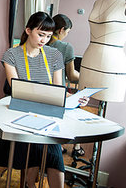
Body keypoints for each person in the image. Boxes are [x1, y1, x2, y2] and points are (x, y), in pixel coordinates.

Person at [1, 11, 88, 188]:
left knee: (50, 146)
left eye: (48, 36)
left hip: (48, 114)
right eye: (40, 34)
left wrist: (74, 99)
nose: (44, 40)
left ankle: (29, 184)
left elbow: (59, 90)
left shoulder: (55, 55)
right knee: (45, 143)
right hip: (22, 112)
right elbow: (17, 88)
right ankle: (29, 184)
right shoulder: (11, 55)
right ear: (28, 30)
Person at [48, 14, 84, 156]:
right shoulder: (66, 47)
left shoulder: (41, 42)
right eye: (67, 32)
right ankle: (76, 148)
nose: (66, 36)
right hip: (58, 95)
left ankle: (59, 146)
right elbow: (72, 75)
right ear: (62, 29)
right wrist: (87, 78)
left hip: (42, 93)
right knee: (78, 108)